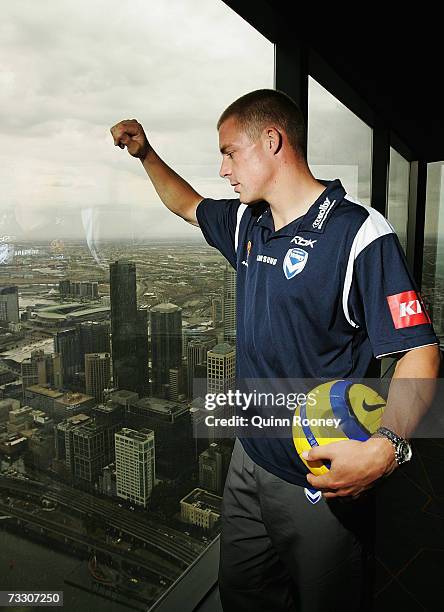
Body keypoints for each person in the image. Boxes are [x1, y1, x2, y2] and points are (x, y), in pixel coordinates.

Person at [110, 89, 441, 611]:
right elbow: (186, 204)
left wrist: (386, 446)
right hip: (249, 458)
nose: (223, 169)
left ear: (272, 140)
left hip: (319, 476)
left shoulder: (358, 234)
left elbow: (418, 351)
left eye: (229, 152)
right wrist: (147, 154)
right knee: (245, 595)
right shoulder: (250, 223)